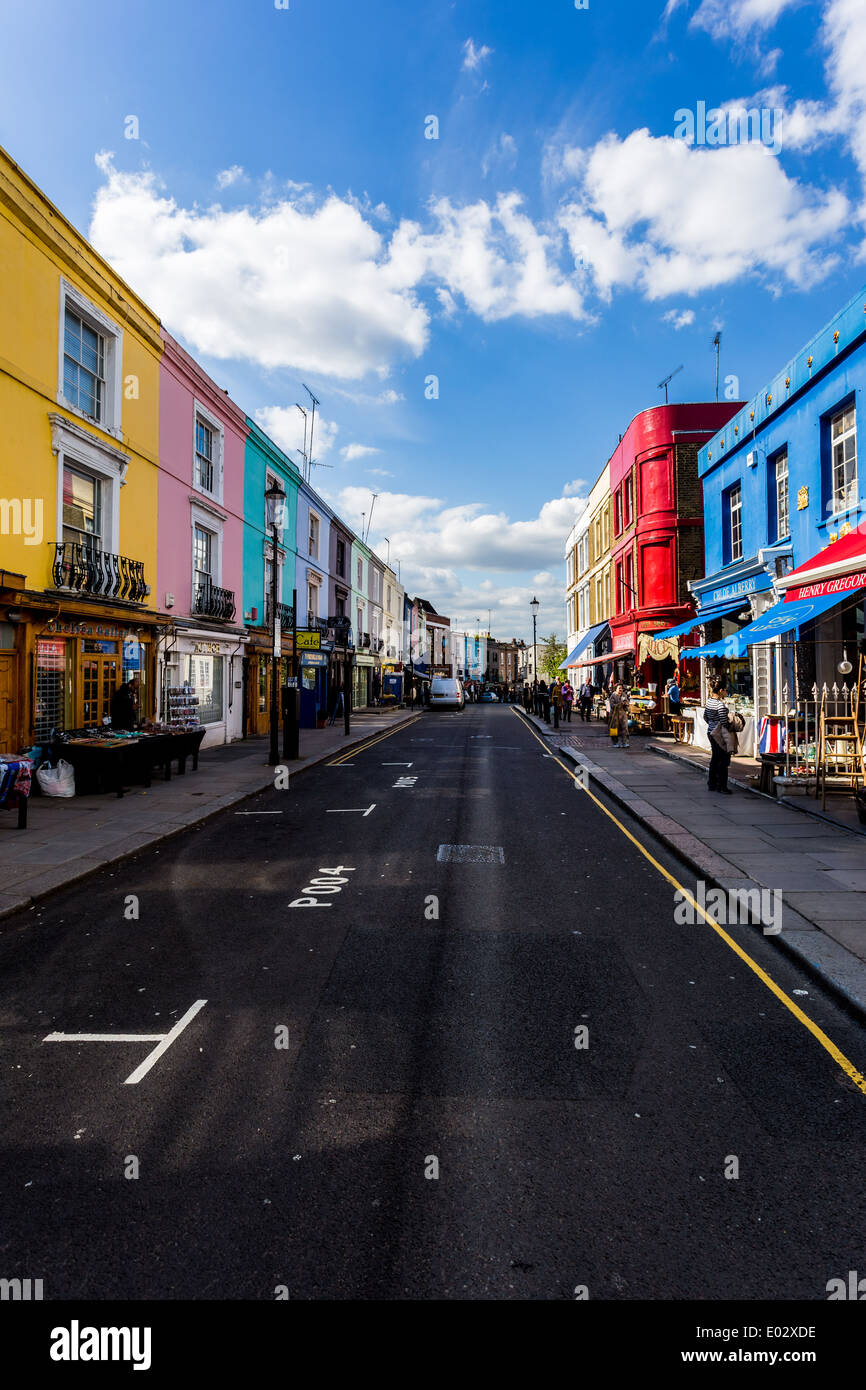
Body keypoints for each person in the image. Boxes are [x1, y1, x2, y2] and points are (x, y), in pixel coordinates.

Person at [705, 679, 734, 794]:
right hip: (719, 734)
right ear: (721, 690)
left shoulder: (709, 702)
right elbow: (724, 722)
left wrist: (712, 724)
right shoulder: (720, 705)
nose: (726, 693)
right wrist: (731, 725)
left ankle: (712, 783)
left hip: (711, 732)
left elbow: (705, 717)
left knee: (715, 758)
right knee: (723, 759)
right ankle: (722, 786)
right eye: (726, 690)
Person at [608, 682, 630, 748]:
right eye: (619, 688)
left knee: (624, 729)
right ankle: (615, 743)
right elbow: (612, 706)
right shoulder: (613, 695)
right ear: (616, 689)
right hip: (614, 715)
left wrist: (626, 704)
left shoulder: (624, 695)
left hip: (622, 714)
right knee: (614, 729)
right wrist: (620, 703)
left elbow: (627, 705)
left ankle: (625, 742)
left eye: (622, 688)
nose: (621, 690)